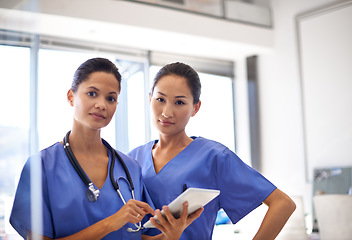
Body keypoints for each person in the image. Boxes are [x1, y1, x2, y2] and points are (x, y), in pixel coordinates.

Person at [10, 58, 188, 240]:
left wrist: (170, 236)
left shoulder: (130, 168)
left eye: (111, 98)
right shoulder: (41, 167)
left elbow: (136, 236)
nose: (102, 105)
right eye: (92, 94)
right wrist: (110, 223)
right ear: (71, 97)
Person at [128, 62, 297, 239]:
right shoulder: (132, 159)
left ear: (195, 107)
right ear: (149, 99)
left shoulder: (213, 157)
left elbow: (283, 204)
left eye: (179, 102)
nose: (167, 112)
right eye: (160, 99)